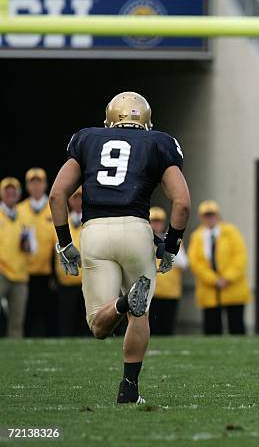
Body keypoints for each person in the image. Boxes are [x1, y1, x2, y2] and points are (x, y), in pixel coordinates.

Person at [49, 92, 190, 404]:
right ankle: (129, 389)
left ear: (110, 119)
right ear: (147, 121)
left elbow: (57, 194)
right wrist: (170, 245)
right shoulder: (160, 142)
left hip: (95, 231)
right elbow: (181, 202)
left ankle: (124, 302)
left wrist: (64, 244)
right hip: (137, 231)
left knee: (98, 324)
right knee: (141, 316)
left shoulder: (86, 139)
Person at [188, 201, 251, 335]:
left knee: (236, 326)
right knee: (212, 327)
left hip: (233, 287)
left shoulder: (231, 232)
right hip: (209, 288)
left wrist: (227, 278)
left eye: (212, 215)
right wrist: (214, 279)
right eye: (206, 215)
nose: (210, 218)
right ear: (201, 217)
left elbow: (240, 257)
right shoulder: (197, 236)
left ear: (217, 216)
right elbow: (195, 262)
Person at [18, 168, 57, 337]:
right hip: (24, 273)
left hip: (48, 273)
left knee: (49, 315)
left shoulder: (53, 209)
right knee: (26, 314)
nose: (36, 186)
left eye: (39, 182)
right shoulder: (19, 210)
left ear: (45, 184)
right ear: (27, 186)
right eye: (32, 182)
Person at [0, 177, 37, 338]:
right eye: (7, 191)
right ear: (2, 194)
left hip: (20, 274)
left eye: (13, 191)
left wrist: (28, 246)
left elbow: (34, 247)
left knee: (17, 320)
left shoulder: (24, 217)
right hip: (1, 272)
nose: (10, 194)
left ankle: (15, 352)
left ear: (18, 194)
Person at [148, 207, 188, 336]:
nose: (156, 224)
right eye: (153, 221)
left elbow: (184, 263)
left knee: (167, 329)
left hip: (170, 292)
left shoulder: (172, 240)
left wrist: (168, 248)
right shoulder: (144, 240)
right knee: (150, 329)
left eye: (159, 221)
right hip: (151, 292)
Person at [54, 187, 88, 337]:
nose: (78, 201)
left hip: (88, 279)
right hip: (66, 279)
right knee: (66, 319)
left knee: (86, 319)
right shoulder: (61, 220)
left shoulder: (91, 221)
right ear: (69, 200)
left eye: (81, 198)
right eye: (75, 198)